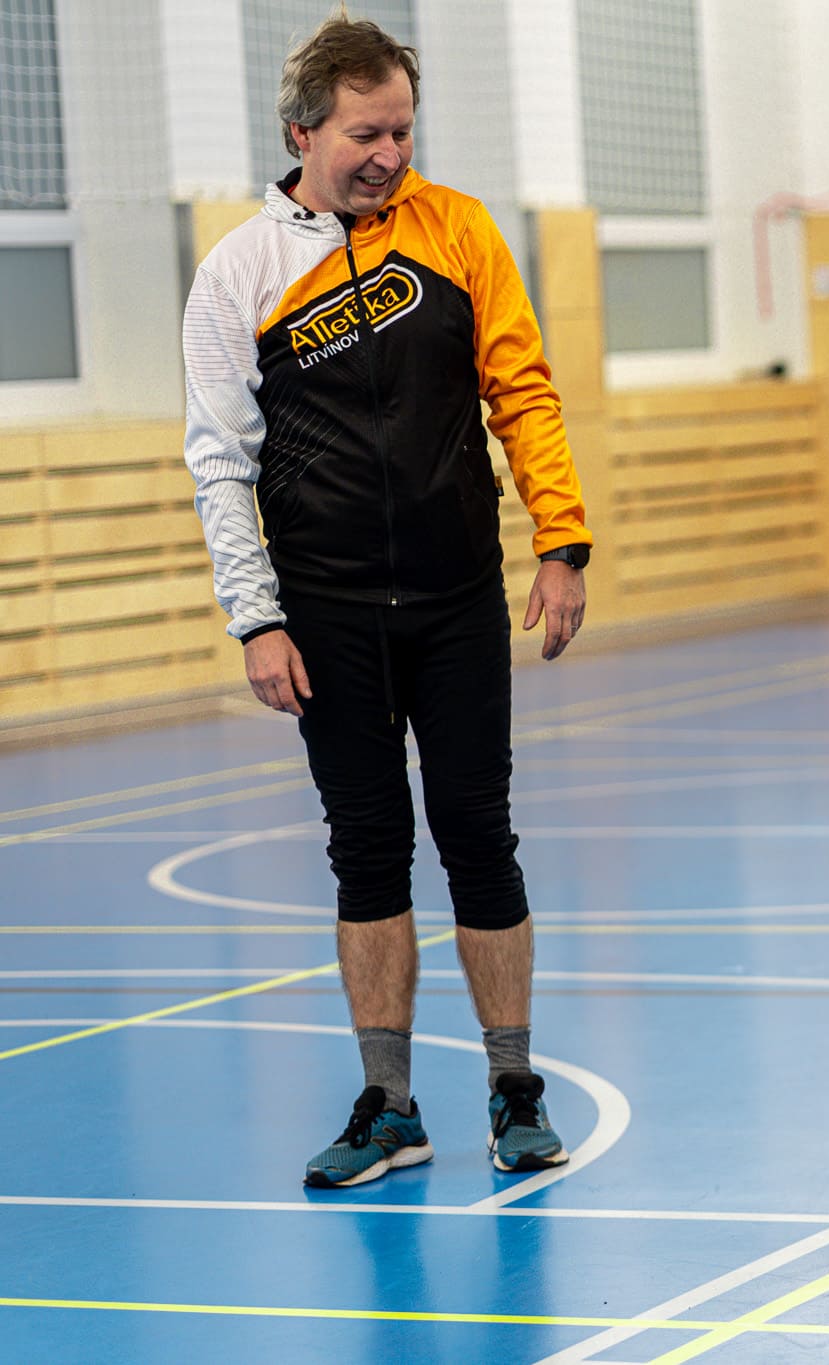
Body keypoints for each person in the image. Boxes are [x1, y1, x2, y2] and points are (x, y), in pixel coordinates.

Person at [181, 15, 592, 1187]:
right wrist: (256, 617)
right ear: (301, 133)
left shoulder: (458, 229)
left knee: (478, 835)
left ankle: (514, 1087)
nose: (390, 155)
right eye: (366, 134)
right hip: (326, 612)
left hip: (457, 599)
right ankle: (390, 1107)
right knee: (367, 850)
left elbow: (522, 390)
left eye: (403, 130)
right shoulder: (239, 273)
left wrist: (561, 540)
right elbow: (219, 460)